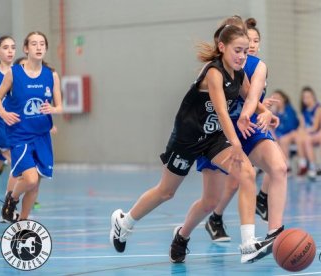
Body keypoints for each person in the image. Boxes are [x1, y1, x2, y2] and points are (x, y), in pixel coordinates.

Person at [109, 24, 275, 264]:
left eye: (245, 52)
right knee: (166, 192)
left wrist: (265, 112)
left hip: (213, 138)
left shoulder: (239, 73)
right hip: (187, 138)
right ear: (222, 47)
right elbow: (221, 112)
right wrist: (237, 143)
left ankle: (248, 244)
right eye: (237, 50)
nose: (242, 56)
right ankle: (124, 222)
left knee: (246, 173)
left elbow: (249, 97)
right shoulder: (213, 73)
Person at [173, 18, 285, 262]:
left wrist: (262, 112)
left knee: (273, 168)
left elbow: (251, 96)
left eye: (254, 42)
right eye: (246, 43)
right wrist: (254, 111)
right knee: (212, 198)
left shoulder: (255, 66)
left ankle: (272, 234)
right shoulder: (220, 68)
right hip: (217, 133)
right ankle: (193, 229)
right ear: (227, 43)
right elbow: (225, 108)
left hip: (246, 128)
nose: (250, 47)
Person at [0, 31, 62, 222]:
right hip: (20, 135)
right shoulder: (14, 73)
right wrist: (4, 114)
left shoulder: (51, 76)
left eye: (42, 44)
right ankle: (11, 199)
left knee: (35, 185)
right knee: (29, 179)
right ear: (26, 49)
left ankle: (22, 222)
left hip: (42, 137)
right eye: (34, 44)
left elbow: (60, 106)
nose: (39, 47)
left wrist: (53, 110)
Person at [0, 35, 20, 222]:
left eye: (12, 47)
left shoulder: (20, 73)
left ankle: (7, 208)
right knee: (20, 164)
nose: (10, 51)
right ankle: (8, 208)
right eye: (5, 47)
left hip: (12, 126)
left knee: (2, 165)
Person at [269, 89, 300, 173]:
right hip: (279, 135)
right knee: (273, 139)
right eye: (274, 98)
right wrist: (272, 112)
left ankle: (287, 165)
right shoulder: (273, 111)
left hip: (291, 134)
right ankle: (272, 166)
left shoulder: (289, 110)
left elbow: (291, 126)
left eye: (278, 98)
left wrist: (279, 134)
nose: (275, 100)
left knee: (283, 140)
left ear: (283, 99)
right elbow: (270, 126)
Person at [296, 86, 321, 176]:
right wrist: (301, 131)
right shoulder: (304, 111)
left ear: (313, 97)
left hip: (317, 134)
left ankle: (313, 166)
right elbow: (302, 126)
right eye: (304, 97)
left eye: (308, 97)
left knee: (306, 139)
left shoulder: (318, 108)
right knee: (298, 138)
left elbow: (315, 127)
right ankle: (303, 165)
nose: (306, 99)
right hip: (308, 134)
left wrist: (304, 132)